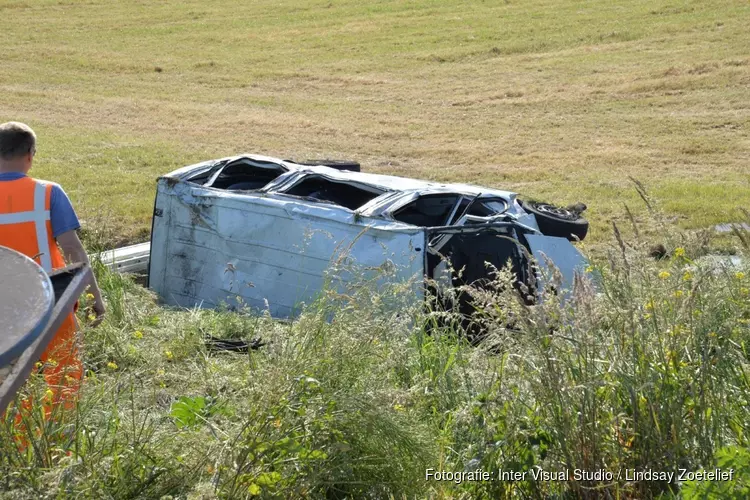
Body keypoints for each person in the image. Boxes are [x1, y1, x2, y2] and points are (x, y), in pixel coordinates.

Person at [0, 121, 105, 411]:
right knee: (63, 375)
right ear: (31, 154)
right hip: (52, 303)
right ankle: (57, 440)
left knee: (10, 383)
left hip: (3, 308)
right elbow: (72, 248)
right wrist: (94, 295)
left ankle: (16, 444)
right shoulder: (48, 193)